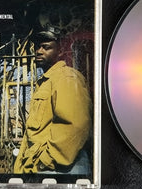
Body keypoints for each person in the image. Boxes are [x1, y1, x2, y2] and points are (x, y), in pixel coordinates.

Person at [13, 30, 92, 174]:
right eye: (37, 47)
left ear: (60, 51)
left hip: (59, 168)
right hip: (48, 166)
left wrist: (44, 162)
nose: (39, 51)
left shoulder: (66, 77)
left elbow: (75, 126)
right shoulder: (48, 81)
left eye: (46, 47)